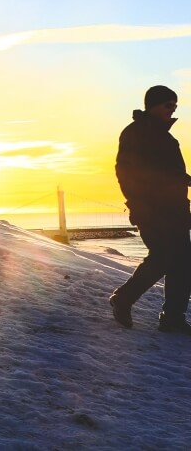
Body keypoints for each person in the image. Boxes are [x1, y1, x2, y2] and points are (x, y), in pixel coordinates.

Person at [109, 85, 191, 333]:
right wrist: (136, 205)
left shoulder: (163, 136)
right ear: (153, 105)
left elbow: (168, 173)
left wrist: (185, 179)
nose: (173, 109)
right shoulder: (136, 133)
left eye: (175, 105)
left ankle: (172, 318)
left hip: (175, 210)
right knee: (164, 257)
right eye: (168, 105)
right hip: (154, 210)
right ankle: (123, 298)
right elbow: (126, 173)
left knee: (183, 262)